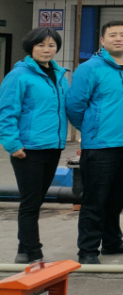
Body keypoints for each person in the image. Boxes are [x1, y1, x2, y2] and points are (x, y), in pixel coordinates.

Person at [66, 20, 123, 264]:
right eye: (112, 35)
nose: (118, 38)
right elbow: (75, 105)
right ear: (102, 41)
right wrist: (91, 129)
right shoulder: (89, 69)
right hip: (100, 146)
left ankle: (112, 241)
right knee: (95, 199)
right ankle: (88, 250)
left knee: (117, 197)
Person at [0, 27, 69, 263]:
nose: (46, 50)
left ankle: (23, 250)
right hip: (28, 149)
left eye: (51, 45)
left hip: (53, 146)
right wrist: (13, 144)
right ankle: (34, 253)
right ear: (31, 47)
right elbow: (6, 112)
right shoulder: (19, 75)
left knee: (37, 200)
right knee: (30, 203)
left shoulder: (59, 75)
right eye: (41, 45)